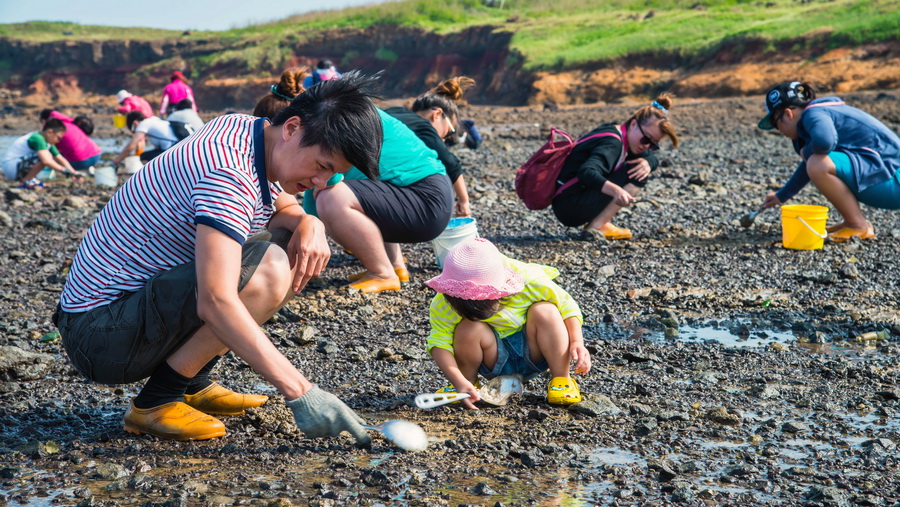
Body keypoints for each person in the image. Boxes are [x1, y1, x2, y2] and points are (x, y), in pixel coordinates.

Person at [53, 73, 384, 443]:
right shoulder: (228, 175)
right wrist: (302, 392)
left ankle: (192, 382)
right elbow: (215, 300)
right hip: (101, 335)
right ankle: (156, 403)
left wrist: (309, 222)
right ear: (291, 128)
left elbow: (277, 204)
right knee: (272, 266)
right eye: (322, 166)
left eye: (333, 173)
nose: (322, 183)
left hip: (110, 315)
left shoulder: (245, 129)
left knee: (288, 243)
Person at [423, 238, 591, 409]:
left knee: (545, 310)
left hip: (535, 350)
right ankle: (468, 385)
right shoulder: (444, 302)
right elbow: (439, 343)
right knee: (468, 328)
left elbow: (567, 305)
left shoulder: (529, 280)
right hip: (492, 358)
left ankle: (561, 379)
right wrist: (457, 380)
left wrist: (577, 342)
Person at [302, 108, 453, 294]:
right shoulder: (352, 112)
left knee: (330, 198)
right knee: (366, 195)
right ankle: (396, 266)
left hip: (427, 201)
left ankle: (382, 273)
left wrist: (307, 233)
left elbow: (320, 186)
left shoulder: (339, 122)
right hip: (433, 195)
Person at [756, 81, 900, 241]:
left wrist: (807, 151)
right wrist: (781, 195)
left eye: (776, 125)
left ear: (788, 114)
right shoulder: (822, 114)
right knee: (817, 162)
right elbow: (810, 165)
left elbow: (824, 144)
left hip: (894, 181)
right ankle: (852, 222)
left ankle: (857, 226)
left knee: (819, 163)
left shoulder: (814, 114)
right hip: (889, 180)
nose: (780, 131)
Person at [551, 94, 680, 240]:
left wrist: (648, 162)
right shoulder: (613, 144)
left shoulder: (614, 131)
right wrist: (616, 191)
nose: (646, 146)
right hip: (571, 207)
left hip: (565, 200)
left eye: (653, 145)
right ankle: (596, 227)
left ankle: (598, 223)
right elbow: (586, 172)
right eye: (646, 139)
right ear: (633, 124)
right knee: (636, 173)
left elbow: (648, 157)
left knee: (641, 166)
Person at [384, 76, 475, 217]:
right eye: (449, 130)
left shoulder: (395, 112)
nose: (444, 138)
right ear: (437, 114)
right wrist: (464, 201)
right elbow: (452, 164)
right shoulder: (423, 126)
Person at [2, 118, 82, 189]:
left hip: (18, 167)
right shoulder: (37, 138)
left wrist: (74, 173)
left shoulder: (48, 143)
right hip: (12, 167)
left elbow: (60, 158)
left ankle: (29, 179)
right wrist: (63, 170)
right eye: (58, 137)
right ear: (49, 132)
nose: (59, 141)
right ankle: (25, 181)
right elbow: (46, 161)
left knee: (47, 156)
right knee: (45, 157)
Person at [39, 109, 102, 174]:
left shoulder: (54, 129)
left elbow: (51, 150)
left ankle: (55, 173)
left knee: (44, 154)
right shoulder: (69, 123)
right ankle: (88, 168)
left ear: (44, 121)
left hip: (81, 162)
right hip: (96, 155)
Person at [112, 111, 179, 164]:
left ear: (135, 123)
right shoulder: (153, 119)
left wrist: (118, 159)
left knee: (144, 157)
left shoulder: (143, 124)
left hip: (171, 149)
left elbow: (130, 147)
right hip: (176, 145)